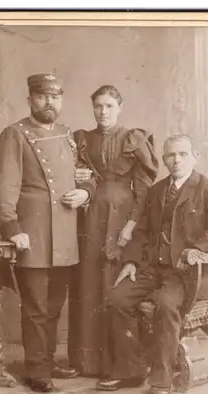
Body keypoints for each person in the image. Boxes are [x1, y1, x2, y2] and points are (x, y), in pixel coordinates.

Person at [98, 134, 208, 394]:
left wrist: (198, 249)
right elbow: (141, 232)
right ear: (164, 159)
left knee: (166, 305)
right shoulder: (157, 191)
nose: (176, 160)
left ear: (194, 157)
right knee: (117, 299)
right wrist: (130, 262)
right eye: (170, 155)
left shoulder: (207, 189)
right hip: (155, 268)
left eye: (182, 154)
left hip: (191, 274)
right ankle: (131, 369)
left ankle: (161, 378)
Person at [0, 73, 95, 393]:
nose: (49, 102)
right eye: (42, 96)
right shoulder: (15, 134)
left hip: (64, 235)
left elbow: (88, 176)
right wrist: (12, 228)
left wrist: (85, 193)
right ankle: (37, 370)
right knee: (36, 307)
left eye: (56, 97)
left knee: (54, 305)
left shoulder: (67, 135)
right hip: (31, 235)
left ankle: (45, 360)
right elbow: (1, 189)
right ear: (30, 99)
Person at [68, 85, 159, 377]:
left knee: (115, 280)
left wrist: (132, 223)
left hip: (123, 215)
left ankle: (118, 363)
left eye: (108, 106)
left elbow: (145, 189)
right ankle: (89, 363)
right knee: (90, 281)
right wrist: (79, 176)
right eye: (98, 106)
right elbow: (73, 174)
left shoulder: (132, 138)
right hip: (91, 214)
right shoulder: (83, 139)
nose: (103, 112)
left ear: (120, 107)